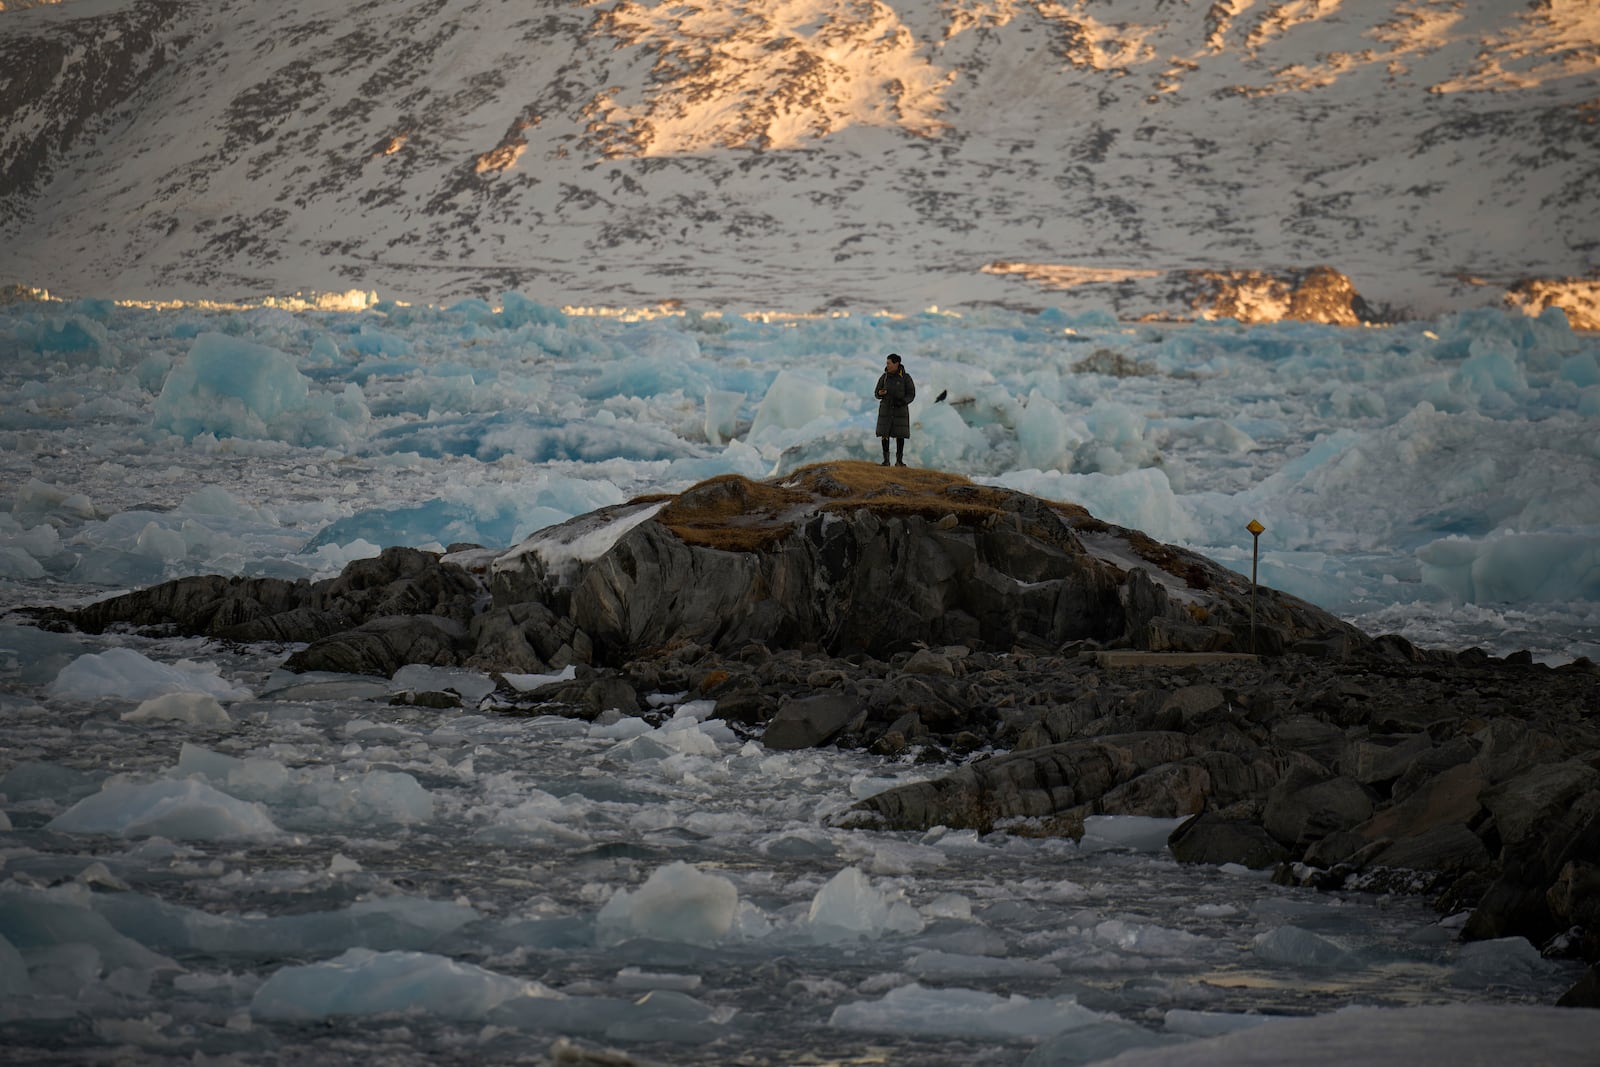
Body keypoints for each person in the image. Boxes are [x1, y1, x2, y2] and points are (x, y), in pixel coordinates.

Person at [873, 353, 916, 466]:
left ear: (896, 364)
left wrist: (902, 402)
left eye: (889, 363)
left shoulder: (906, 378)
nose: (887, 365)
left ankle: (899, 461)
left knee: (900, 435)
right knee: (884, 434)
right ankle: (886, 461)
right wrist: (880, 393)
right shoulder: (884, 377)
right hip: (886, 410)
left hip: (900, 411)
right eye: (887, 363)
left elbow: (911, 394)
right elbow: (876, 393)